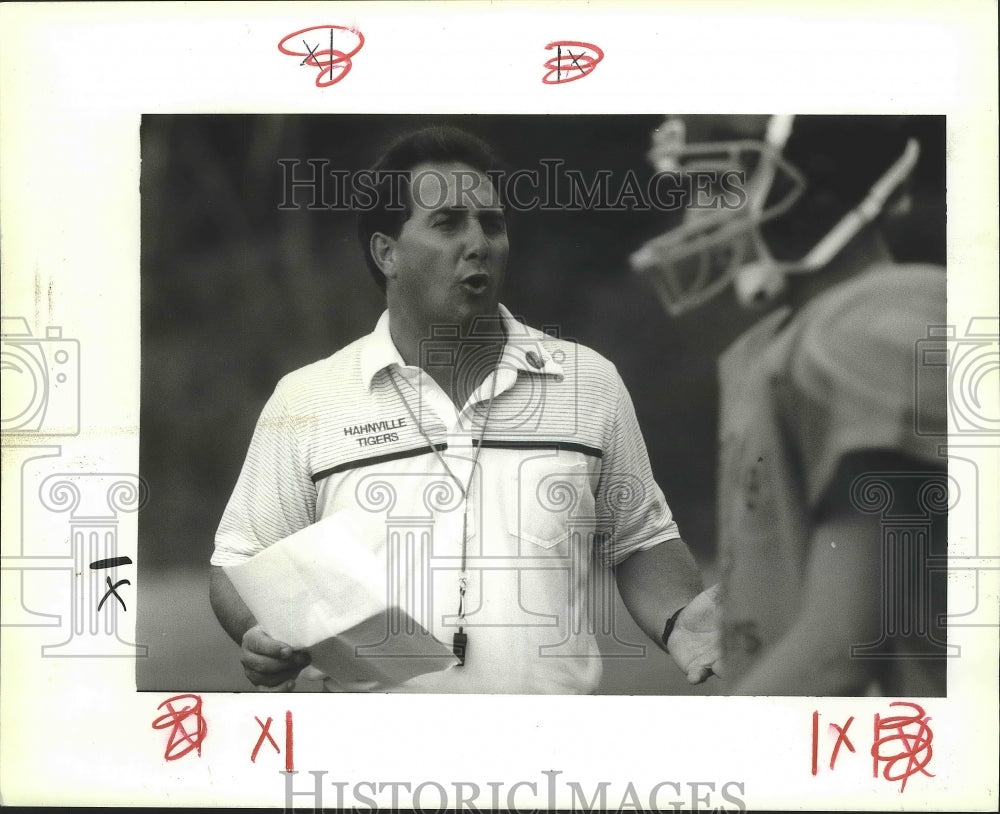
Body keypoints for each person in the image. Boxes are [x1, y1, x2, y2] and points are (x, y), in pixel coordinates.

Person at [209, 125, 721, 693]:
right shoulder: (307, 398)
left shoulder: (586, 381)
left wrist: (680, 620)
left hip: (549, 756)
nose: (478, 242)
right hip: (371, 764)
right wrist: (260, 631)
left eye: (492, 223)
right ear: (387, 253)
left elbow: (641, 539)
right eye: (448, 223)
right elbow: (240, 560)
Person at [631, 114, 948, 695]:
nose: (696, 215)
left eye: (716, 185)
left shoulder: (867, 333)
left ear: (812, 182)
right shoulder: (790, 339)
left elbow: (840, 648)